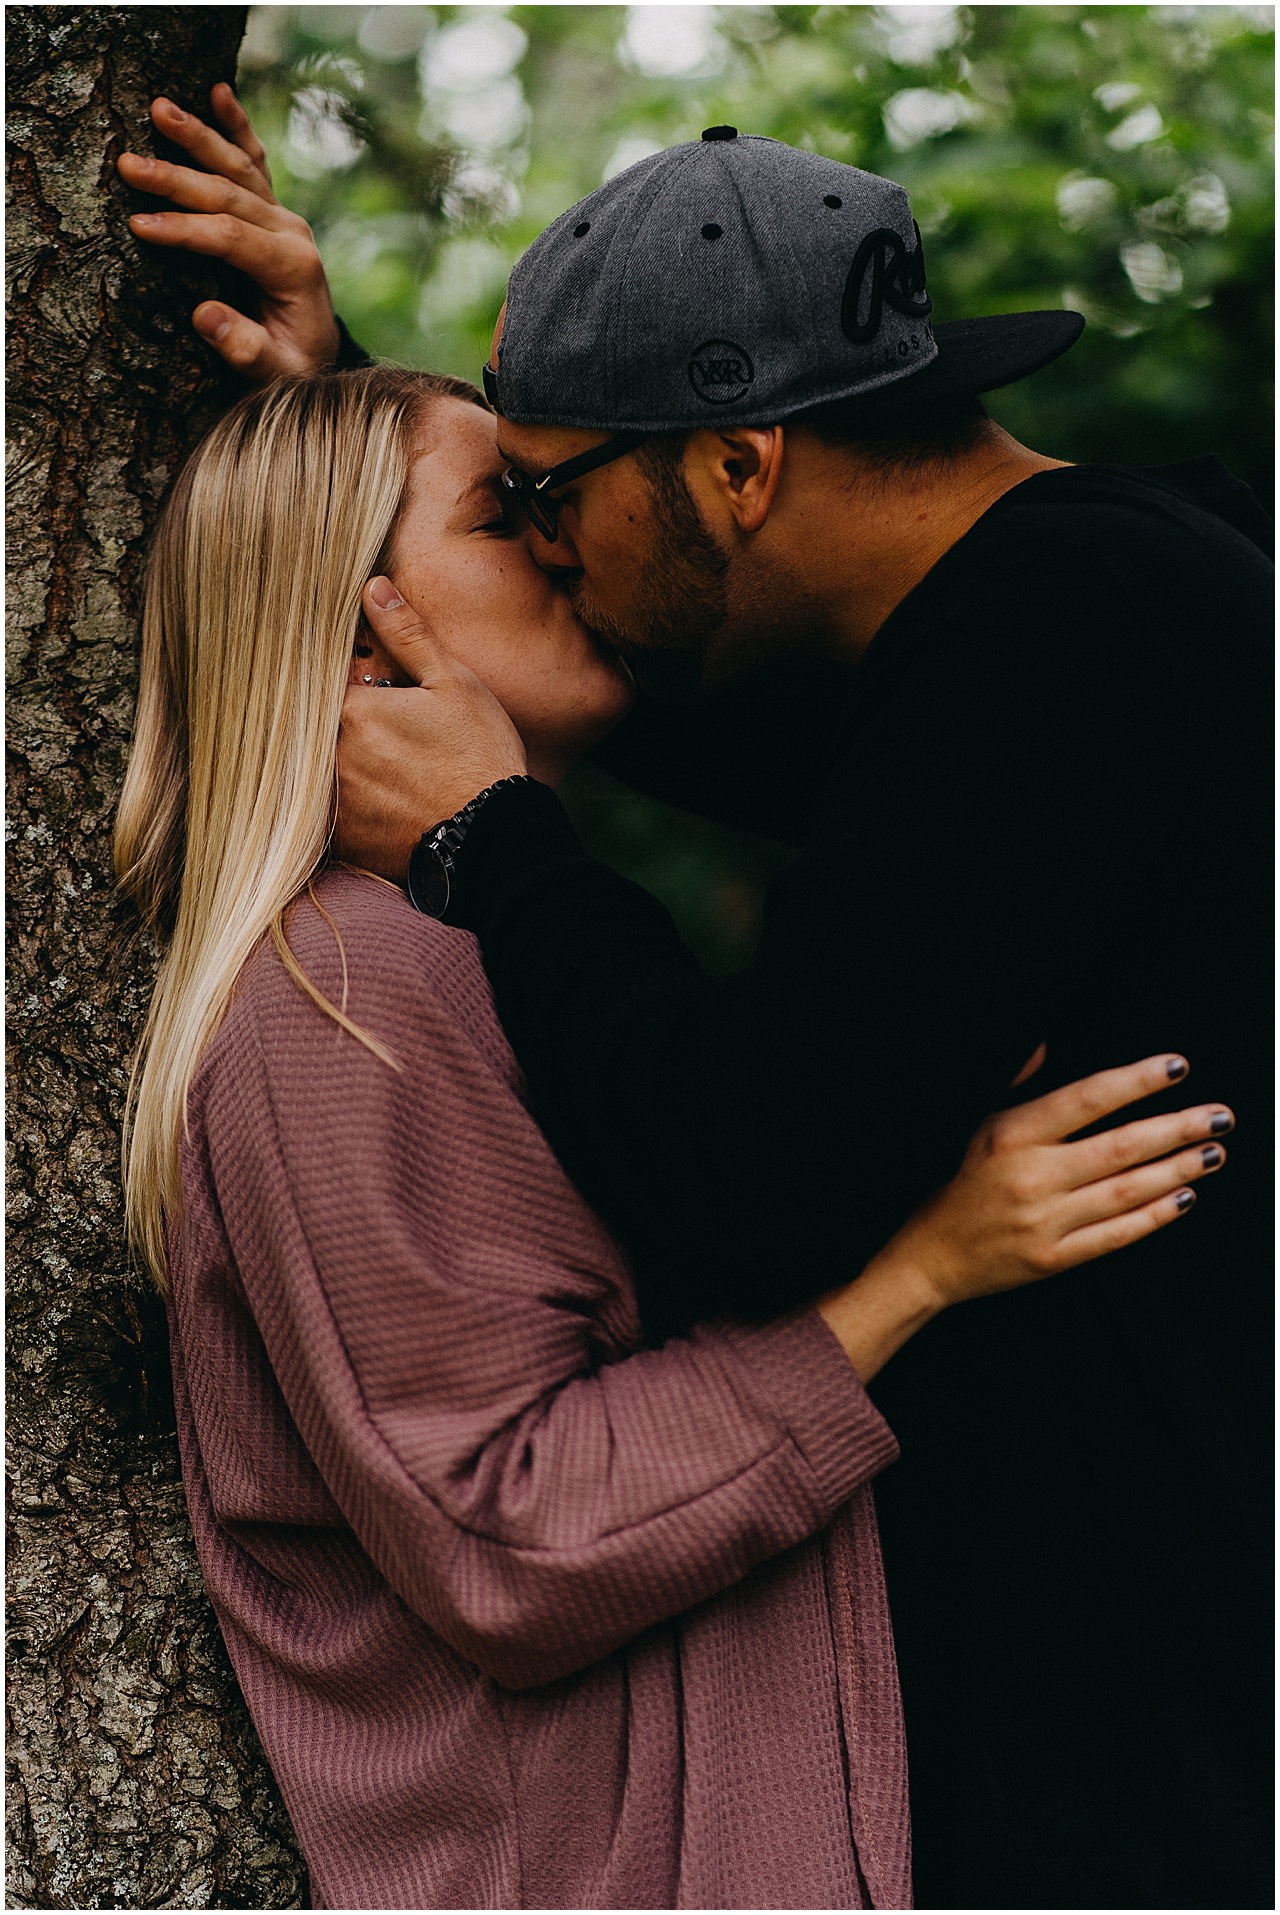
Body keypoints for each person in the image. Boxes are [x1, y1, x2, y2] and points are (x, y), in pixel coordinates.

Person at [119, 94, 1271, 1909]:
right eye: (510, 509)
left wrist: (496, 833)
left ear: (740, 470)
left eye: (546, 497)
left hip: (1147, 1717)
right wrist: (332, 400)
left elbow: (750, 1170)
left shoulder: (1056, 653)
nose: (556, 545)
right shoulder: (1083, 606)